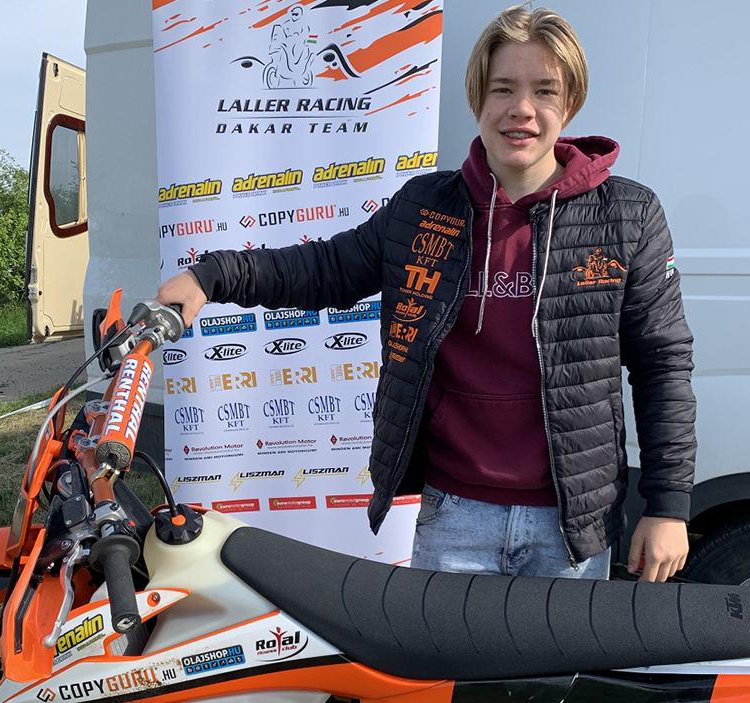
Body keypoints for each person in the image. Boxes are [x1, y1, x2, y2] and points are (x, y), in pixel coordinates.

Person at [156, 4, 696, 583]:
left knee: (555, 654)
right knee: (441, 652)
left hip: (571, 528)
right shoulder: (423, 208)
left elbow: (662, 364)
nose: (522, 108)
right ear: (477, 99)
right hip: (453, 515)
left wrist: (668, 506)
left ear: (570, 104)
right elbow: (324, 267)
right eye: (502, 88)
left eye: (545, 90)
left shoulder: (628, 215)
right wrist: (212, 276)